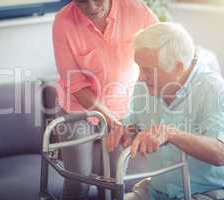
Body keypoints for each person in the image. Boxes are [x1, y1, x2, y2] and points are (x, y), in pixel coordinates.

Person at [108, 22, 224, 200]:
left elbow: (221, 153)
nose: (141, 77)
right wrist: (127, 130)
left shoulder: (213, 88)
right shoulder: (145, 83)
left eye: (148, 70)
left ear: (178, 67)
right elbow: (136, 121)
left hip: (213, 191)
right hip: (159, 191)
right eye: (139, 67)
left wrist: (171, 133)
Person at [52, 0, 158, 199]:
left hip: (121, 109)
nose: (92, 7)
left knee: (113, 184)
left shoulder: (136, 9)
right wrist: (110, 120)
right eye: (83, 2)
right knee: (78, 184)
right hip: (78, 111)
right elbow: (75, 85)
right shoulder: (62, 21)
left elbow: (164, 42)